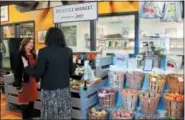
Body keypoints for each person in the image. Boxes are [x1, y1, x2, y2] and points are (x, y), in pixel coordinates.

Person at [22, 27, 75, 119]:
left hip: (49, 91)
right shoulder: (68, 51)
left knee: (50, 115)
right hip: (64, 89)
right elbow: (71, 70)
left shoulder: (43, 52)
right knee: (64, 114)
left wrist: (26, 66)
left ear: (48, 38)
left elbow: (38, 73)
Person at [14, 38, 38, 120]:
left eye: (32, 42)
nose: (31, 44)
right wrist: (18, 86)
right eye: (29, 42)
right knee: (25, 104)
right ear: (24, 44)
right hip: (24, 83)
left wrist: (37, 80)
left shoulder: (34, 55)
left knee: (32, 102)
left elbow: (36, 69)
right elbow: (16, 72)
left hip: (33, 82)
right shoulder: (19, 55)